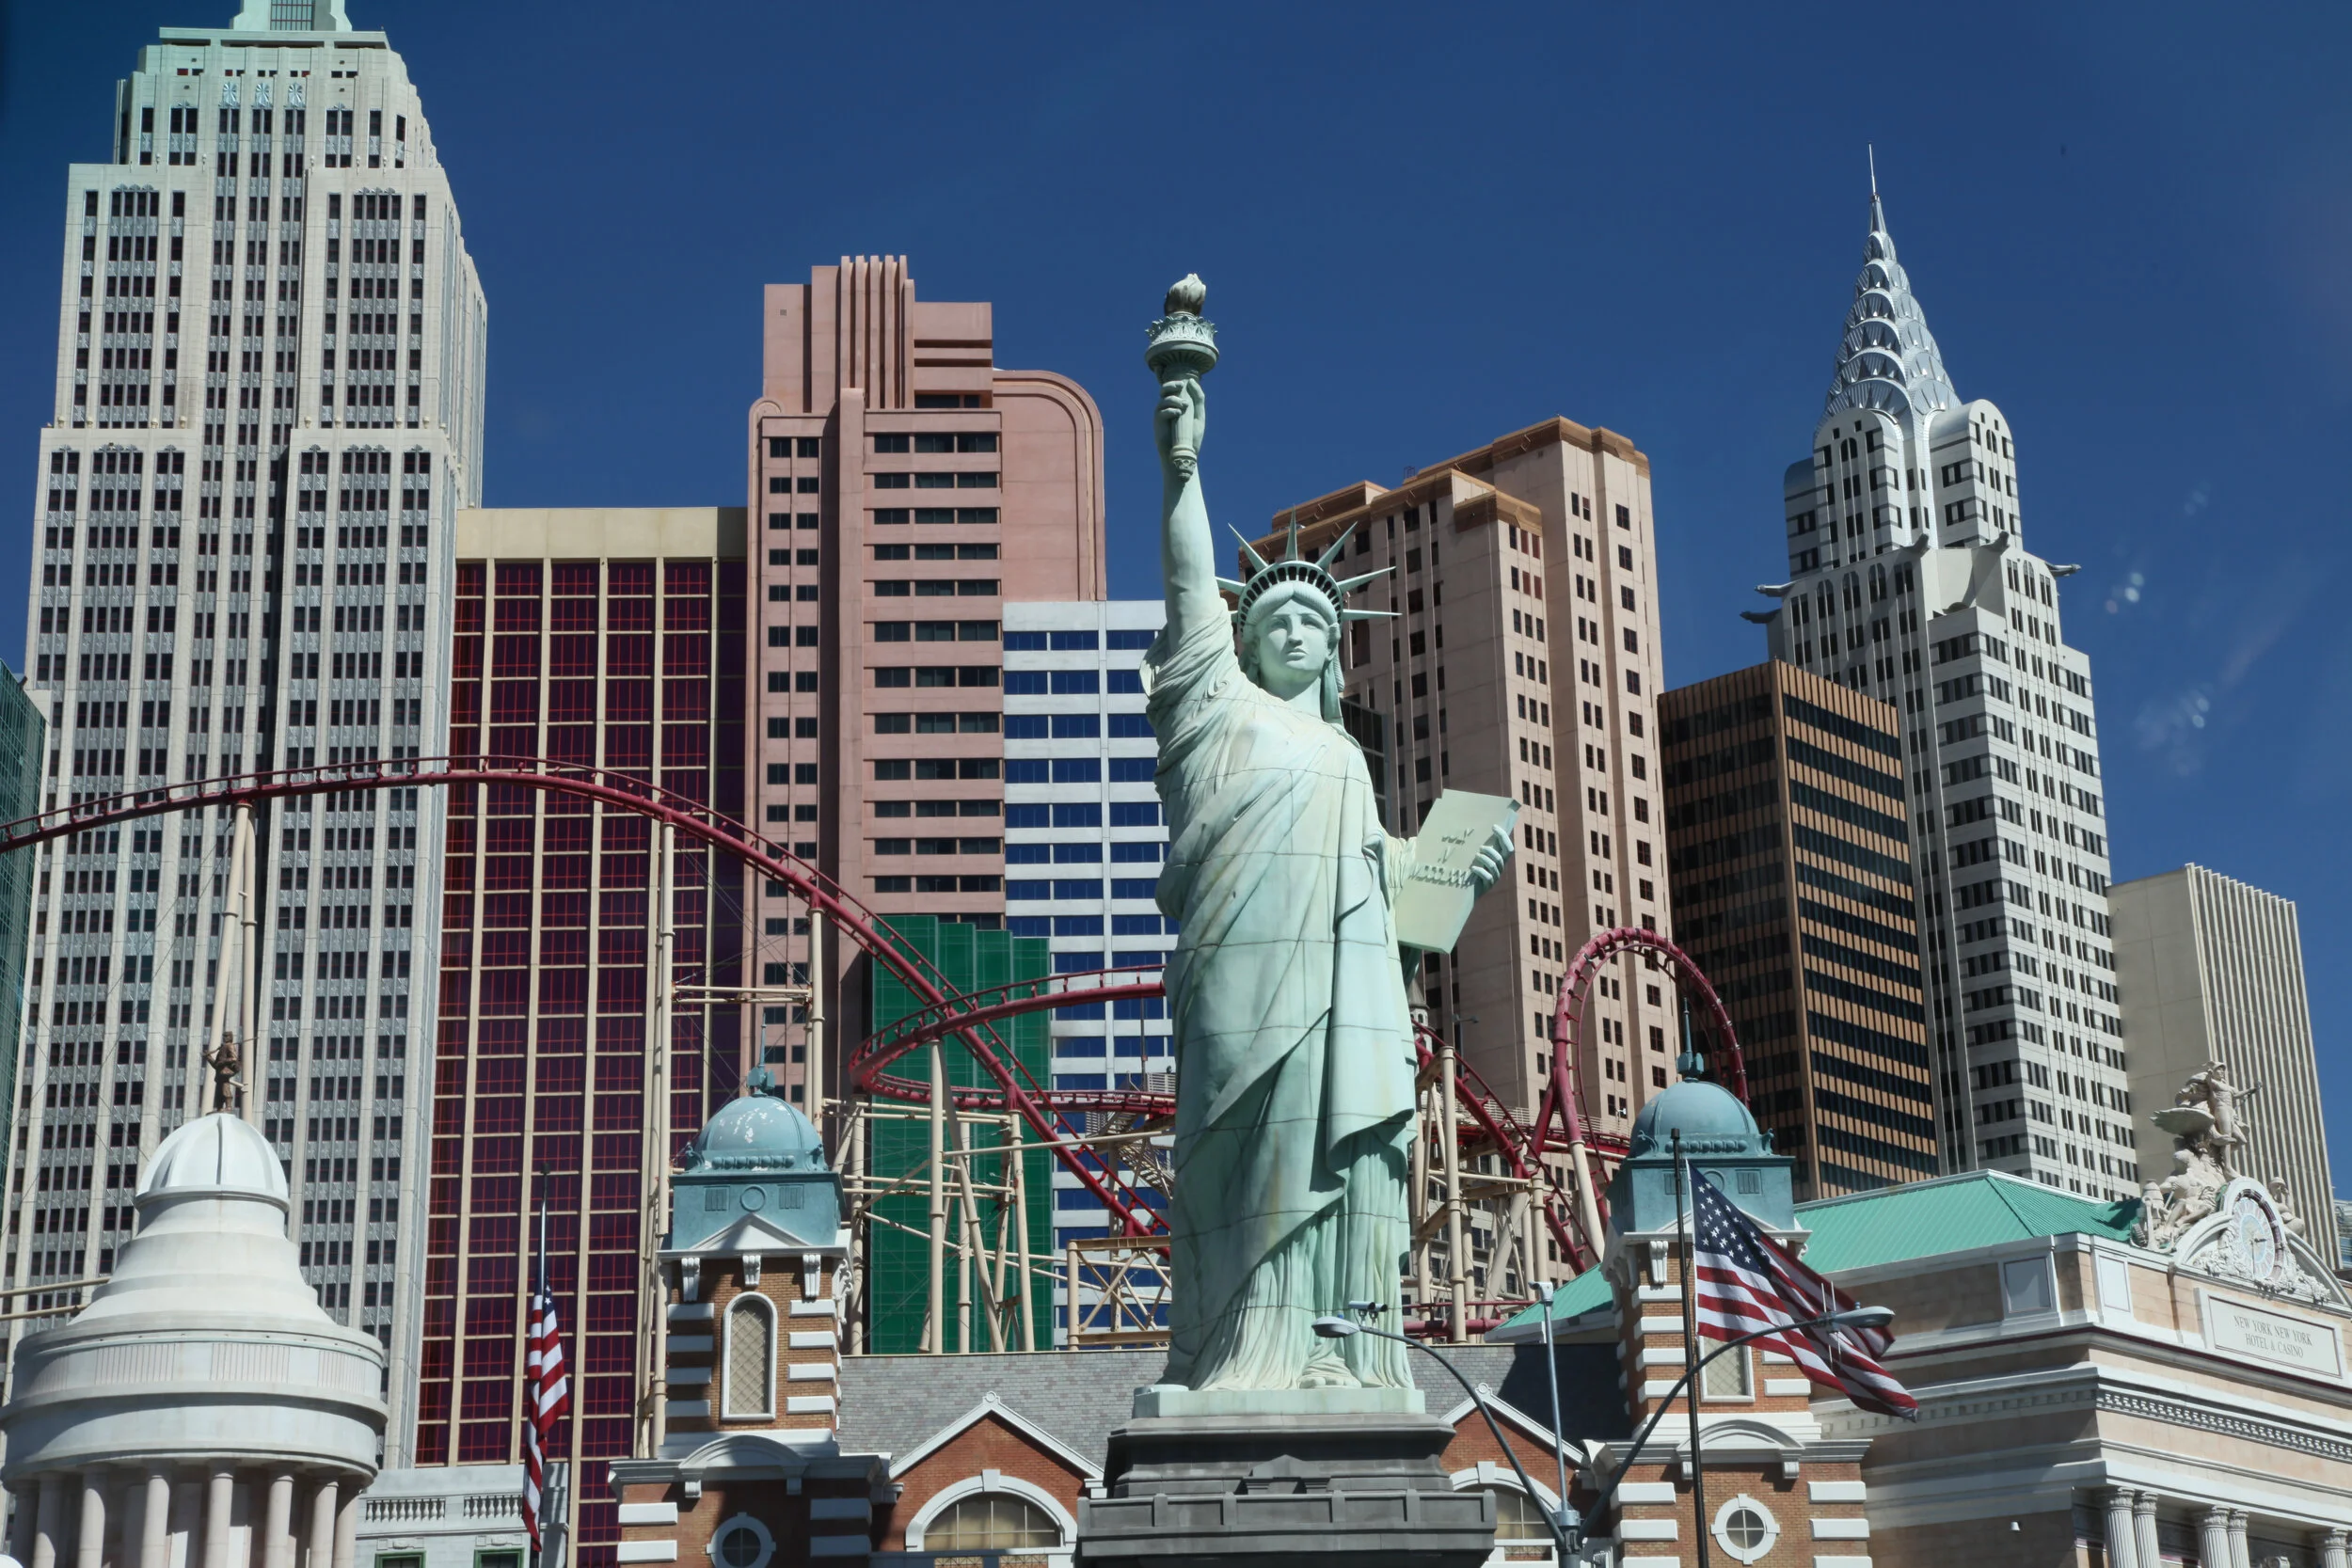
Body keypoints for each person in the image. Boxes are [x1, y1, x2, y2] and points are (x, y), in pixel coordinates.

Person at [1145, 368, 1510, 1392]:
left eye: (1314, 620)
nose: (1295, 630)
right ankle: (1237, 1352)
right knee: (1252, 1161)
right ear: (1244, 646)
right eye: (1274, 621)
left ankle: (1334, 1349)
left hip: (1346, 996)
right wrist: (1182, 466)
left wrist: (1460, 872)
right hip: (1238, 983)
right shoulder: (1216, 713)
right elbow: (1185, 586)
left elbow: (1391, 895)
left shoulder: (1347, 759)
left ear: (1334, 647)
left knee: (1343, 1165)